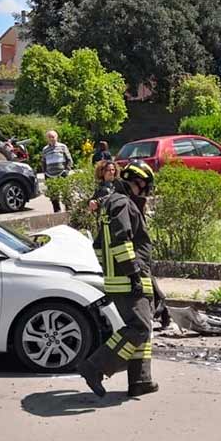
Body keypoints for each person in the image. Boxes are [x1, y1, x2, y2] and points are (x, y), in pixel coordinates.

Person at [78, 159, 159, 398]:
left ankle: (140, 380)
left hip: (125, 278)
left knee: (142, 328)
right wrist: (133, 273)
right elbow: (120, 240)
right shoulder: (122, 203)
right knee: (139, 328)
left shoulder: (112, 202)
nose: (146, 190)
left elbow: (99, 246)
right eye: (145, 185)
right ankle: (95, 367)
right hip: (129, 279)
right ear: (139, 181)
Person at [41, 130, 73, 213]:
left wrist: (67, 170)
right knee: (54, 195)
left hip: (62, 173)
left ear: (57, 137)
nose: (52, 139)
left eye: (53, 137)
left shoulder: (62, 147)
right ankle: (57, 211)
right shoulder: (45, 149)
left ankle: (69, 210)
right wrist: (45, 172)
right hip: (50, 175)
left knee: (66, 192)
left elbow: (69, 159)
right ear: (47, 139)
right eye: (50, 137)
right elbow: (43, 161)